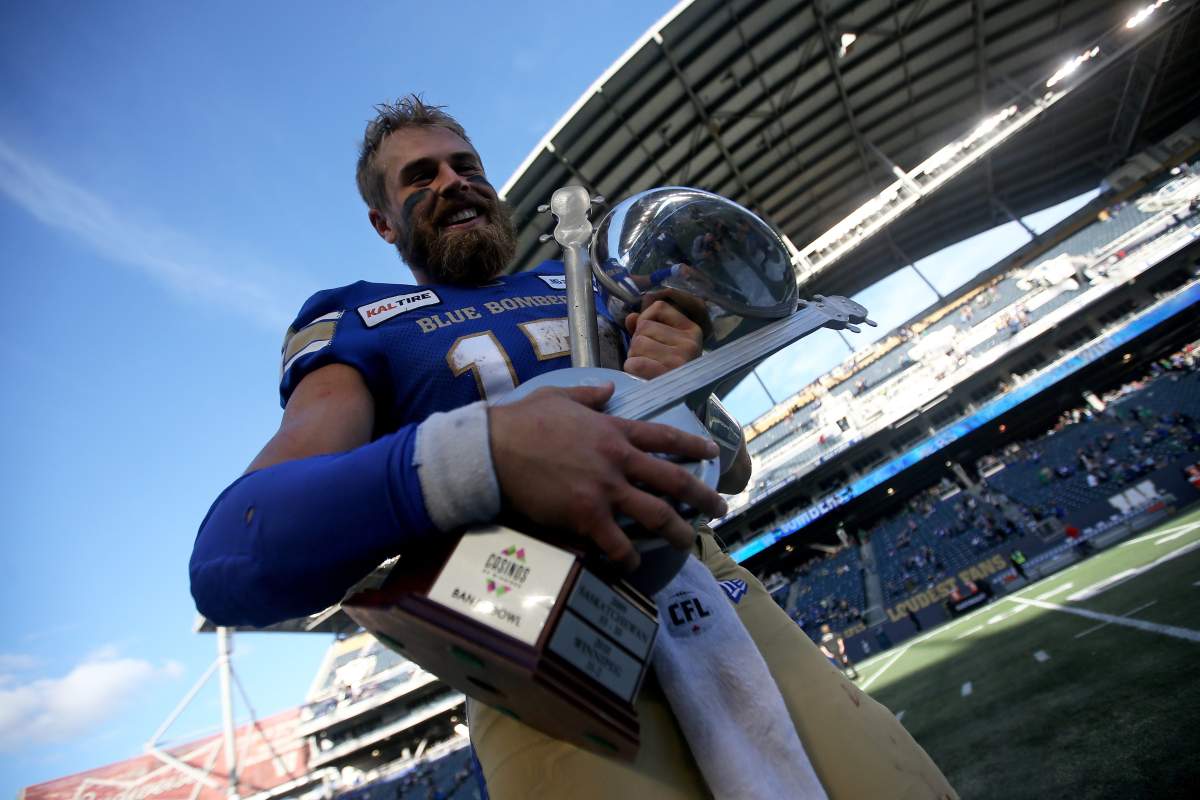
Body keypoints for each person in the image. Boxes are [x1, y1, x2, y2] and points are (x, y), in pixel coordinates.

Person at [190, 96, 955, 799]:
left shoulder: (582, 281)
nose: (455, 182)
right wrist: (483, 451)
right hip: (514, 615)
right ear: (384, 222)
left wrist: (682, 390)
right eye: (420, 176)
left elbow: (731, 468)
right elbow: (234, 553)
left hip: (700, 582)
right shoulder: (360, 318)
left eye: (468, 166)